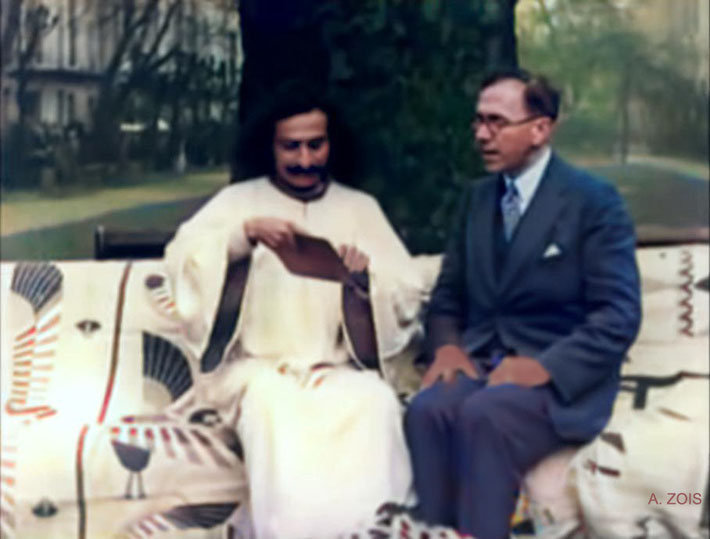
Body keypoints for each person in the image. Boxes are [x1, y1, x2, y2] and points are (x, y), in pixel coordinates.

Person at [163, 84, 421, 539]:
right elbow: (186, 262)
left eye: (315, 145)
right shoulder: (237, 203)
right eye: (292, 147)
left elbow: (402, 292)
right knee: (275, 411)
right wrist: (240, 239)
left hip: (337, 367)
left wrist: (362, 283)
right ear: (271, 147)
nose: (305, 159)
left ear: (331, 145)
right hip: (261, 370)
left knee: (375, 404)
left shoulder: (360, 208)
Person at [404, 69, 642, 539]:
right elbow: (449, 295)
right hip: (483, 365)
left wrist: (544, 368)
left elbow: (618, 315)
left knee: (485, 416)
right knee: (427, 411)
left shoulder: (593, 203)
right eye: (477, 122)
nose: (481, 134)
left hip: (557, 382)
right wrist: (448, 347)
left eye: (496, 122)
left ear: (540, 128)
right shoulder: (475, 200)